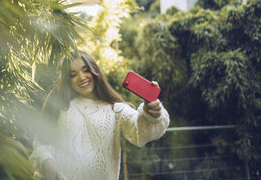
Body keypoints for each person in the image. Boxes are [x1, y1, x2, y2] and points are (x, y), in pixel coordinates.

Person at [30, 51, 169, 180]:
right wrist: (46, 161)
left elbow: (142, 132)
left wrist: (152, 113)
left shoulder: (116, 110)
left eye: (86, 70)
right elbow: (42, 142)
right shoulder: (61, 106)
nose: (81, 77)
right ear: (68, 80)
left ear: (94, 70)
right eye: (73, 74)